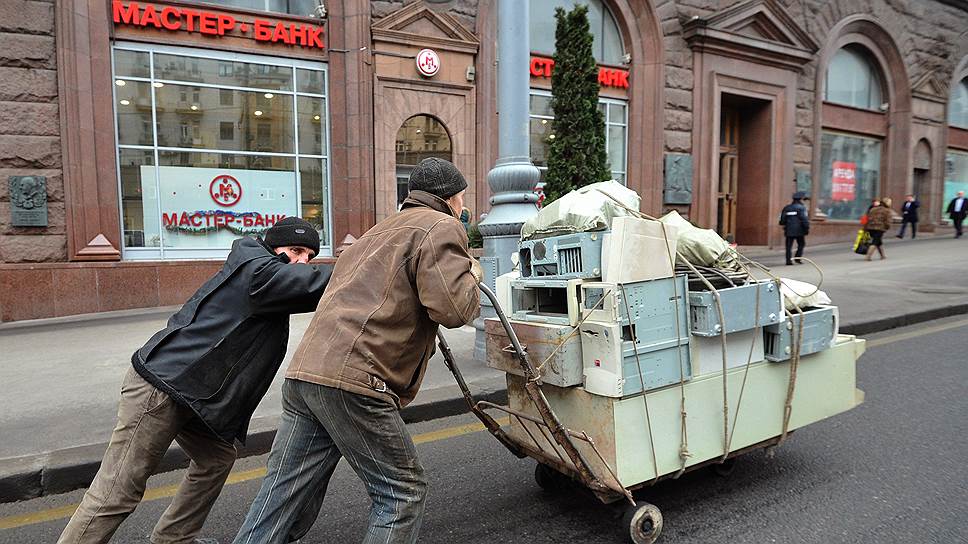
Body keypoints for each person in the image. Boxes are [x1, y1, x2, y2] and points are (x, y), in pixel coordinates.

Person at [233, 158, 481, 544]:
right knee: (402, 493)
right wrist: (473, 271)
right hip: (356, 380)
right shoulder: (441, 226)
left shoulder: (374, 233)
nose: (464, 207)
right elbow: (454, 309)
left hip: (307, 374)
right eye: (462, 198)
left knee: (280, 497)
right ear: (449, 198)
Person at [58, 217, 333, 544]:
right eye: (296, 250)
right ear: (273, 247)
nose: (303, 261)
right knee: (118, 491)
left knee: (216, 458)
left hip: (197, 394)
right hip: (160, 389)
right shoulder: (258, 271)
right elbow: (308, 283)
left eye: (310, 257)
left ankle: (173, 538)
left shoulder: (265, 274)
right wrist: (367, 264)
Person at [779, 191, 810, 265]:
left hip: (789, 230)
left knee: (788, 246)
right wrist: (806, 228)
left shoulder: (787, 208)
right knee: (801, 244)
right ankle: (797, 258)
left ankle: (788, 261)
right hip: (800, 230)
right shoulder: (802, 208)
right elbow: (804, 219)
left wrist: (784, 224)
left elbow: (782, 219)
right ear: (801, 199)